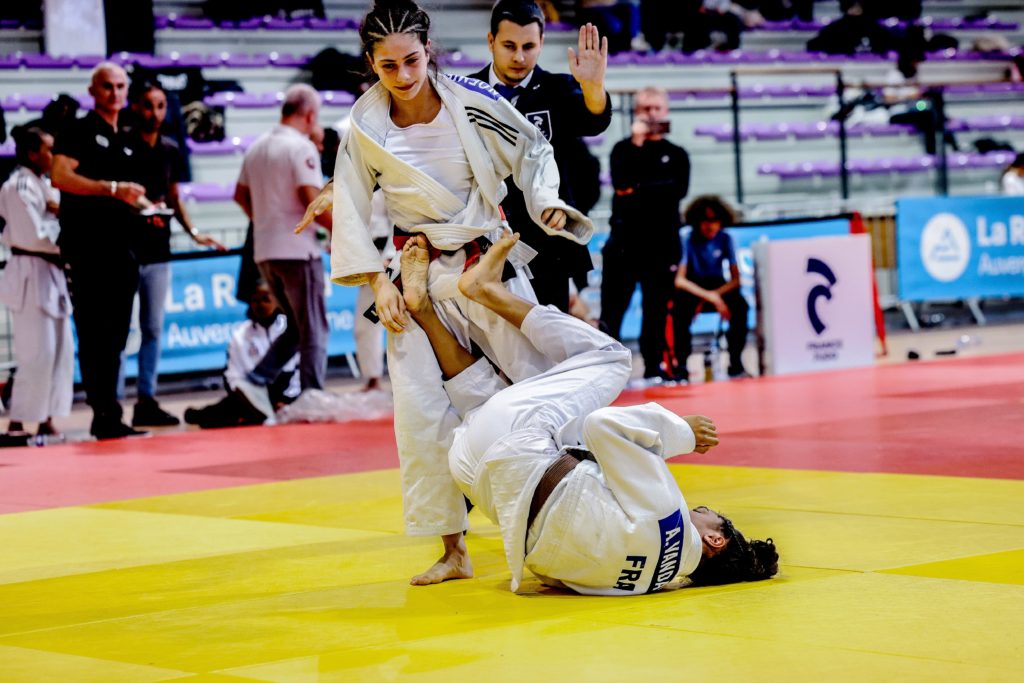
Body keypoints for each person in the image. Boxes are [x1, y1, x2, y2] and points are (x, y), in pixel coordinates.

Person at [296, 0, 595, 585]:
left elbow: (533, 150)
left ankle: (574, 520)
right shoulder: (364, 126)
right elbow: (352, 204)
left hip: (485, 260)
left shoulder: (473, 102)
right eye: (388, 66)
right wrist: (375, 281)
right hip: (414, 270)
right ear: (371, 63)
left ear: (428, 50)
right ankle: (453, 548)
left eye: (411, 60)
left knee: (535, 391)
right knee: (420, 412)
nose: (403, 76)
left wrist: (545, 203)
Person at [402, 230, 778, 594]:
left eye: (710, 514)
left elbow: (605, 425)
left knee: (612, 359)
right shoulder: (636, 586)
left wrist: (680, 433)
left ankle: (486, 291)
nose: (701, 509)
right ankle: (425, 312)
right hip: (474, 475)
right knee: (493, 410)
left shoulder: (669, 515)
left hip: (515, 447)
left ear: (714, 539)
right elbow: (550, 579)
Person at [468, 0, 611, 312]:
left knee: (546, 336)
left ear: (542, 42)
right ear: (491, 41)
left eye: (529, 46)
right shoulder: (467, 93)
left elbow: (593, 121)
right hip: (485, 238)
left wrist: (594, 88)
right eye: (509, 46)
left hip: (547, 242)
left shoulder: (559, 88)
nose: (519, 57)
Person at [51, 62, 150, 440]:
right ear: (93, 91)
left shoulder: (126, 137)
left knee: (117, 334)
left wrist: (149, 209)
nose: (115, 93)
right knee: (95, 333)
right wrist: (110, 188)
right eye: (107, 86)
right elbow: (60, 176)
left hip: (123, 248)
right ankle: (102, 412)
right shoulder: (77, 130)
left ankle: (111, 411)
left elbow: (129, 193)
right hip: (87, 247)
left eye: (121, 86)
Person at [124, 81, 227, 428]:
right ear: (135, 107)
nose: (154, 113)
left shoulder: (169, 149)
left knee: (153, 328)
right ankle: (110, 404)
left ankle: (146, 399)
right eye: (147, 105)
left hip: (158, 249)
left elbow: (173, 197)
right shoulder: (122, 144)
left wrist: (194, 232)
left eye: (159, 106)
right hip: (124, 250)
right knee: (120, 331)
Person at [233, 84, 332, 419]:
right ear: (310, 116)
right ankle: (312, 396)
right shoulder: (300, 147)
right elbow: (311, 200)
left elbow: (239, 195)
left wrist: (265, 222)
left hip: (265, 250)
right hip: (297, 250)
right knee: (314, 327)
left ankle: (254, 380)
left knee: (296, 327)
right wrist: (344, 232)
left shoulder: (256, 148)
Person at [599, 86, 690, 384]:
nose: (651, 114)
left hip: (663, 245)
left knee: (656, 310)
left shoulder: (677, 155)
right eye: (645, 109)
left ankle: (653, 367)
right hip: (624, 246)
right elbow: (622, 184)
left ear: (666, 111)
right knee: (613, 311)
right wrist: (637, 146)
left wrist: (638, 190)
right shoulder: (622, 150)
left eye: (656, 108)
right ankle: (606, 372)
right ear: (635, 113)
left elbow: (677, 191)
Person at [0, 127, 73, 443]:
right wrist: (70, 233)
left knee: (60, 351)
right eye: (48, 149)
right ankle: (17, 420)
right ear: (32, 153)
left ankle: (46, 419)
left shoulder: (47, 184)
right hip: (30, 272)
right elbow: (34, 235)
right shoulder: (17, 186)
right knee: (36, 352)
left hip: (52, 273)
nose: (54, 155)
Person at [183, 282, 300, 429]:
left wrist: (285, 399)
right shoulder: (240, 336)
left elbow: (299, 369)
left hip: (287, 394)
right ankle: (207, 414)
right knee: (228, 408)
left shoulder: (290, 331)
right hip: (252, 395)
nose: (261, 305)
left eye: (266, 299)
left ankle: (247, 415)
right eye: (256, 300)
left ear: (277, 300)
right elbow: (232, 376)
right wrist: (245, 397)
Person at [672, 195, 750, 380]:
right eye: (705, 220)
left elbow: (736, 280)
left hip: (718, 286)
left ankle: (736, 363)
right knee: (679, 310)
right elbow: (680, 281)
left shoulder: (725, 238)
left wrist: (715, 296)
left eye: (715, 220)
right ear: (697, 222)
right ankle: (681, 366)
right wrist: (709, 297)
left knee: (741, 307)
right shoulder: (687, 238)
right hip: (693, 285)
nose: (710, 226)